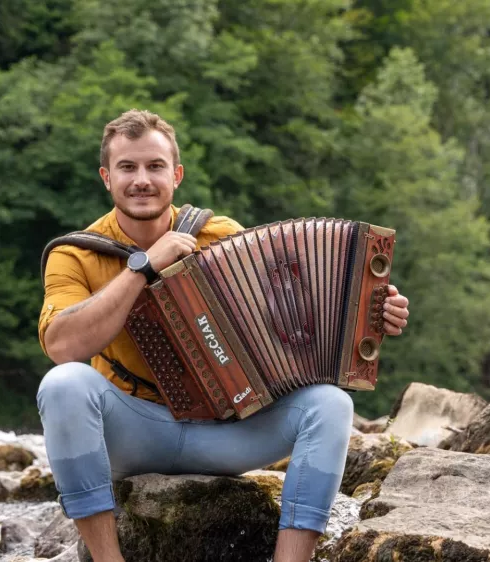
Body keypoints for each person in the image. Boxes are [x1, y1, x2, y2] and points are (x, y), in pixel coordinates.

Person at [37, 109, 411, 562]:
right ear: (106, 177)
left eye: (155, 166)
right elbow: (62, 347)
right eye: (127, 167)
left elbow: (292, 319)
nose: (141, 180)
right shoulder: (74, 253)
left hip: (226, 433)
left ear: (176, 175)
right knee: (62, 386)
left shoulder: (221, 236)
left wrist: (371, 312)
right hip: (134, 433)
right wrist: (143, 266)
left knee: (332, 404)